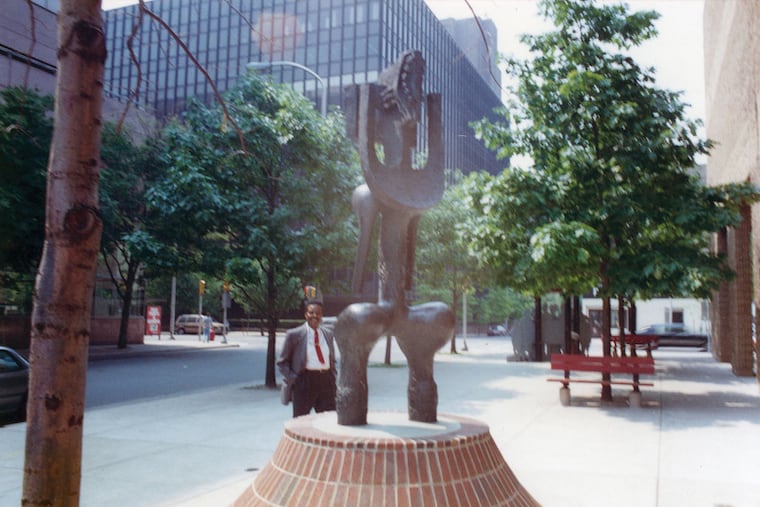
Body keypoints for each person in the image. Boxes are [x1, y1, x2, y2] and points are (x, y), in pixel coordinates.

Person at [277, 301, 337, 417]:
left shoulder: (328, 334)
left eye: (318, 313)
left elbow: (332, 359)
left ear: (321, 315)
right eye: (311, 312)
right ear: (306, 315)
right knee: (300, 421)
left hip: (326, 381)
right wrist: (294, 379)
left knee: (329, 419)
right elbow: (282, 362)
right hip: (304, 381)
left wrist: (333, 377)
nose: (315, 316)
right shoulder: (294, 335)